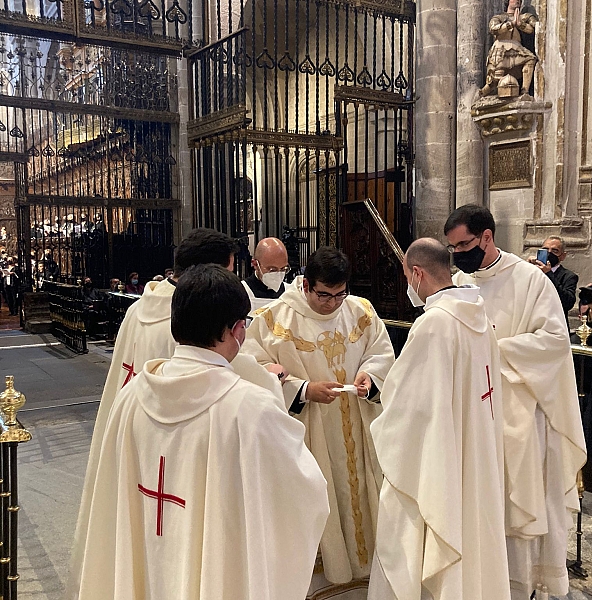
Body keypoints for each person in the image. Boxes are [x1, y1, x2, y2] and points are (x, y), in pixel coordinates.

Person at [73, 264, 329, 600]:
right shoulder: (250, 408)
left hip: (147, 563)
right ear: (236, 330)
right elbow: (304, 496)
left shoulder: (131, 397)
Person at [444, 204, 586, 600]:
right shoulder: (458, 282)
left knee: (515, 503)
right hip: (470, 411)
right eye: (452, 248)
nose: (458, 255)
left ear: (487, 237)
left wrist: (492, 350)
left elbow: (554, 342)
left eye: (464, 245)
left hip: (517, 410)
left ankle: (516, 584)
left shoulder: (530, 281)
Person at [244, 246, 395, 598]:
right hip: (308, 432)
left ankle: (366, 578)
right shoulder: (273, 319)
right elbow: (253, 369)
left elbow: (382, 353)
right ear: (307, 285)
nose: (332, 304)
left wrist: (371, 379)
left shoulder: (361, 311)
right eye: (324, 295)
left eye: (340, 294)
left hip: (358, 429)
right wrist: (302, 389)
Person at [367, 238, 510, 600]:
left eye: (405, 277)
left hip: (444, 457)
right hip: (477, 450)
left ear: (417, 273)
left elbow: (408, 407)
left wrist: (377, 413)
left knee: (424, 528)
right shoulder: (479, 314)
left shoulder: (435, 325)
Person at [480, 0, 537, 98]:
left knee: (530, 59)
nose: (517, 1)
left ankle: (524, 92)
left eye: (519, 0)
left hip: (517, 48)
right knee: (496, 77)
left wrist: (520, 24)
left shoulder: (525, 16)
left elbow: (534, 27)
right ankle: (482, 93)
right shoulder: (499, 17)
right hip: (501, 47)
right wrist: (510, 24)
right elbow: (493, 28)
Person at [527, 236, 578, 327]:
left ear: (562, 256)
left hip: (554, 325)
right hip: (531, 322)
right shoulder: (531, 271)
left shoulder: (569, 276)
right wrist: (525, 268)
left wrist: (549, 274)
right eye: (545, 250)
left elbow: (567, 303)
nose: (549, 253)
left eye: (555, 251)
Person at [242, 237, 290, 312]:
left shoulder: (290, 293)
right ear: (255, 264)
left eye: (283, 269)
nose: (278, 274)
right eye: (272, 270)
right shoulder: (242, 291)